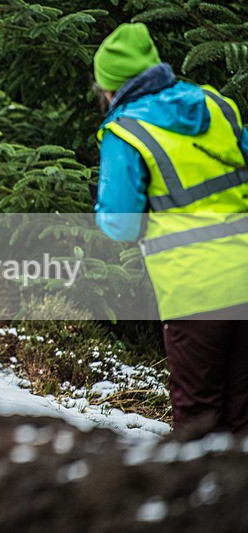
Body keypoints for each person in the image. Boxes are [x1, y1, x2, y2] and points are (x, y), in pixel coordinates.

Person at [93, 23, 248, 439]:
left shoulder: (125, 132)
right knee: (243, 415)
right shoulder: (218, 106)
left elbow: (121, 225)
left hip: (195, 291)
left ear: (110, 87)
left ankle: (206, 504)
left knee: (199, 423)